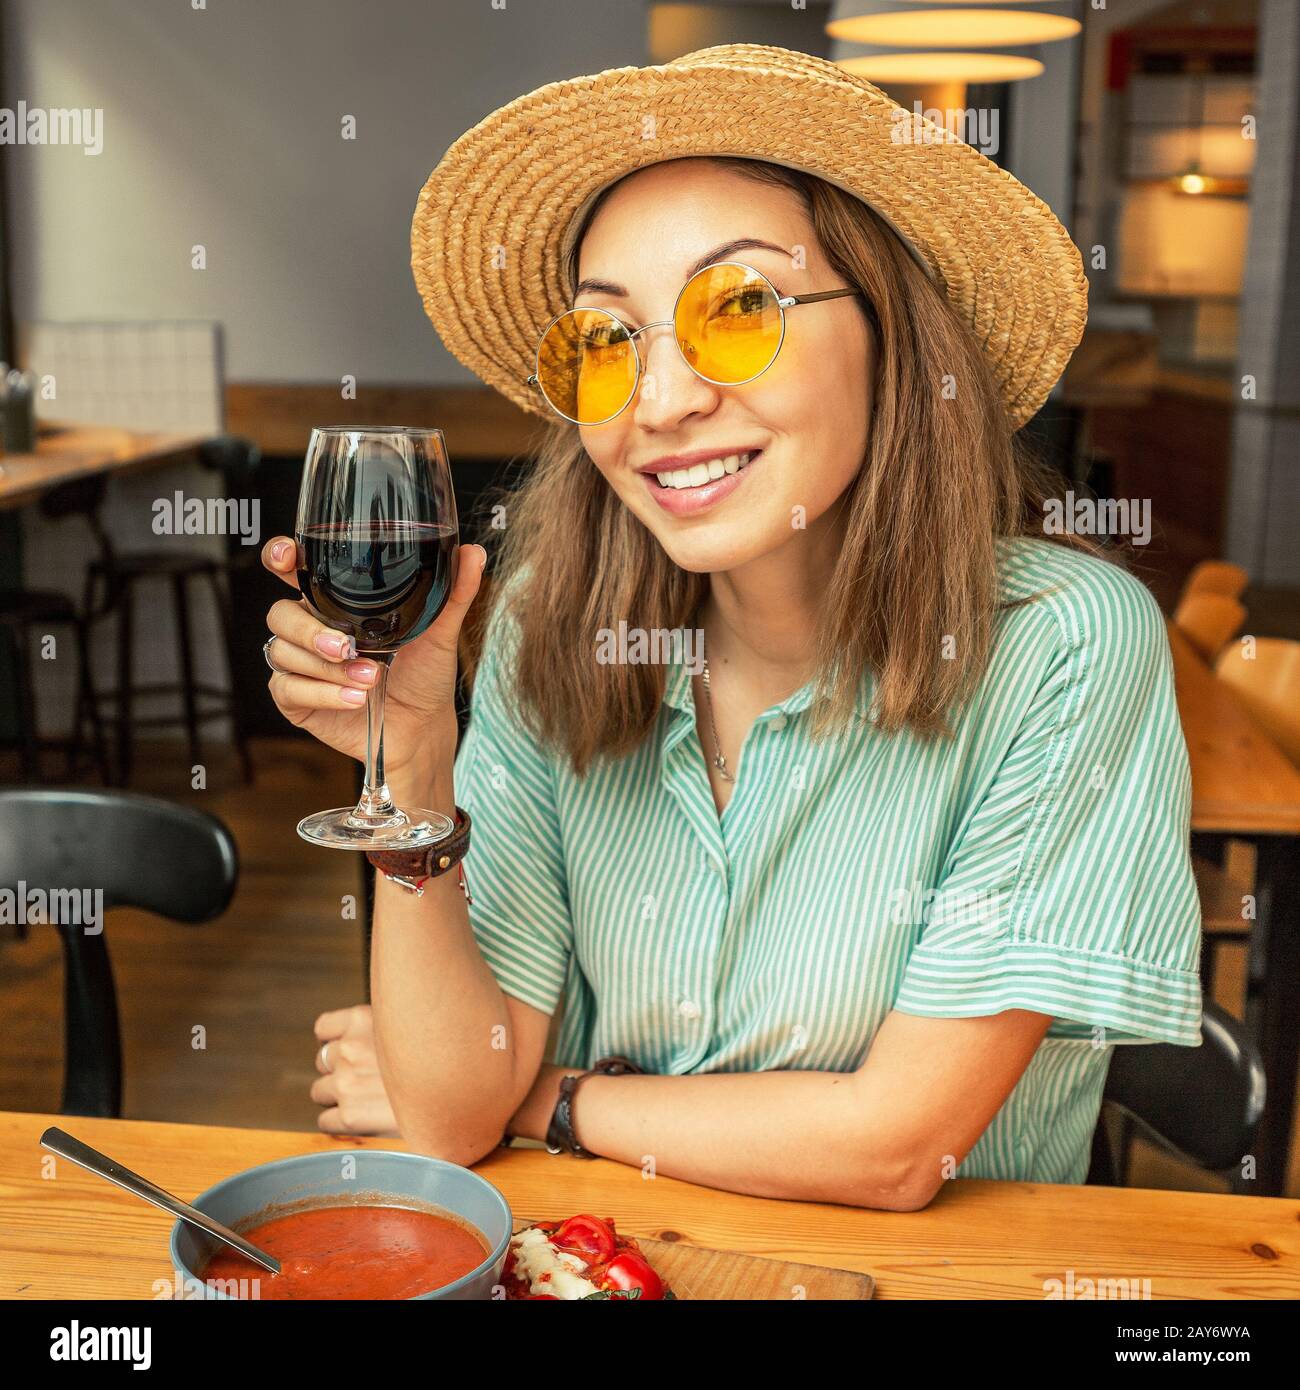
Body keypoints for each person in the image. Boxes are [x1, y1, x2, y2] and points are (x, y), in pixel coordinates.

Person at [260, 45, 1201, 1210]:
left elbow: (896, 1148)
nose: (659, 403)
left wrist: (552, 1101)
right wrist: (411, 765)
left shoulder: (1062, 646)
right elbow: (450, 1116)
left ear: (891, 335)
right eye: (606, 342)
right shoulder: (551, 631)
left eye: (739, 309)